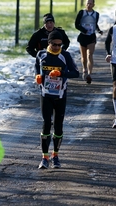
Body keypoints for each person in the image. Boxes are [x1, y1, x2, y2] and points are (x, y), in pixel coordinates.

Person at [35, 30, 79, 169]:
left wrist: (61, 73)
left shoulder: (65, 55)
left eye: (59, 45)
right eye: (54, 44)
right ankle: (44, 157)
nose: (56, 47)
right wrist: (38, 76)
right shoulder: (41, 54)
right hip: (45, 95)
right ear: (49, 43)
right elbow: (37, 66)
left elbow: (76, 73)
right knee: (46, 123)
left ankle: (55, 155)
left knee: (58, 126)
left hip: (60, 96)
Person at [75, 0, 103, 84]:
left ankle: (90, 74)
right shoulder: (81, 12)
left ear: (94, 5)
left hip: (91, 37)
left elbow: (95, 24)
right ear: (85, 4)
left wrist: (98, 30)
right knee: (83, 56)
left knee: (90, 54)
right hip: (83, 36)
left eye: (90, 3)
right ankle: (84, 69)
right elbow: (76, 24)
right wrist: (84, 30)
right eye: (87, 3)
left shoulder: (96, 14)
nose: (89, 5)